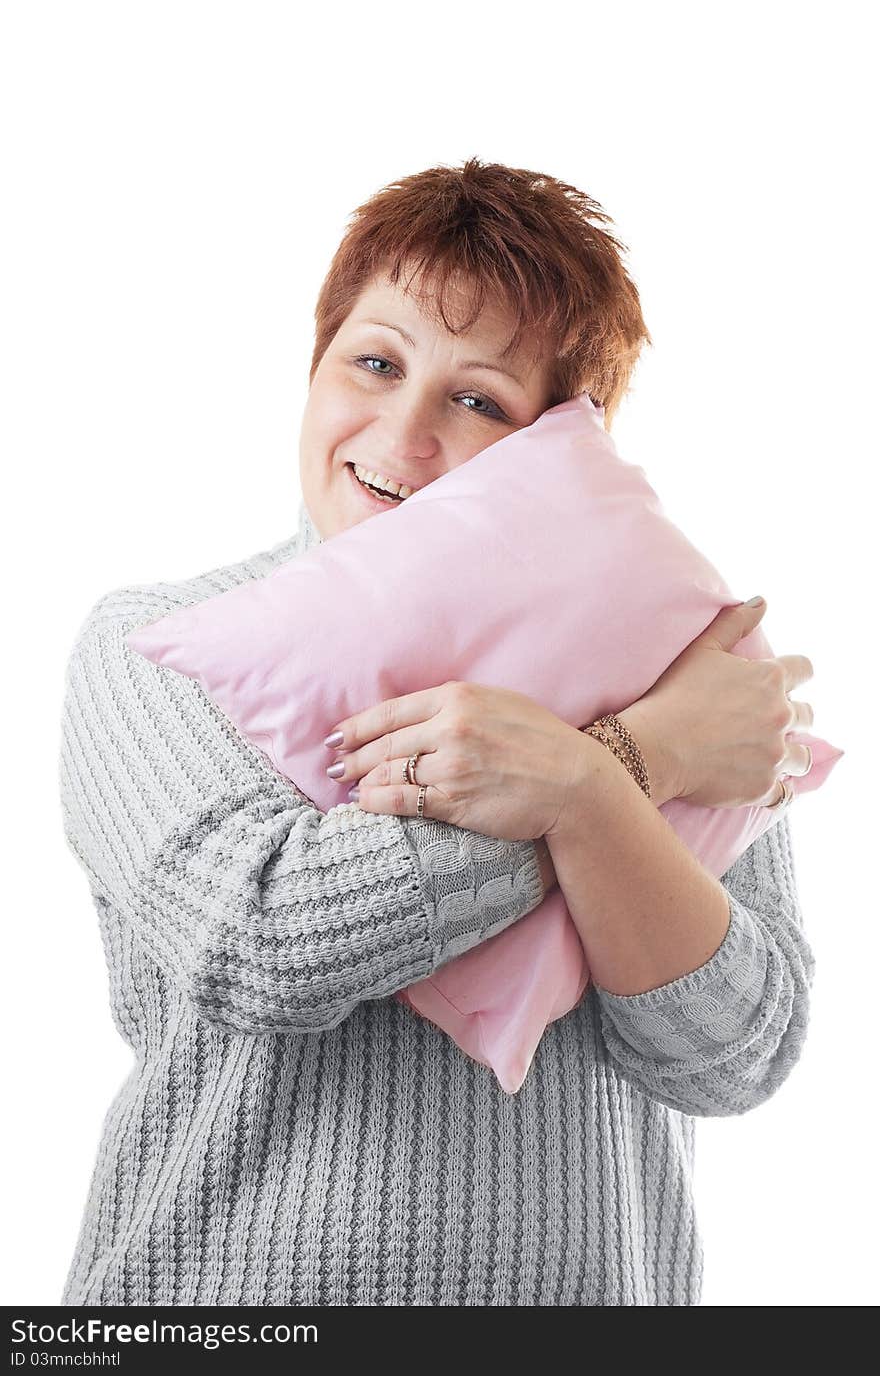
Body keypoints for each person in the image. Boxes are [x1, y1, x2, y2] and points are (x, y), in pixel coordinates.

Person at [58, 156, 816, 1306]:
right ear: (312, 371)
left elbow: (734, 1055)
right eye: (374, 362)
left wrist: (597, 776)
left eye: (478, 399)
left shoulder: (675, 659)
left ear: (566, 446)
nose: (402, 431)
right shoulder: (162, 644)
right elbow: (264, 942)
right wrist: (623, 767)